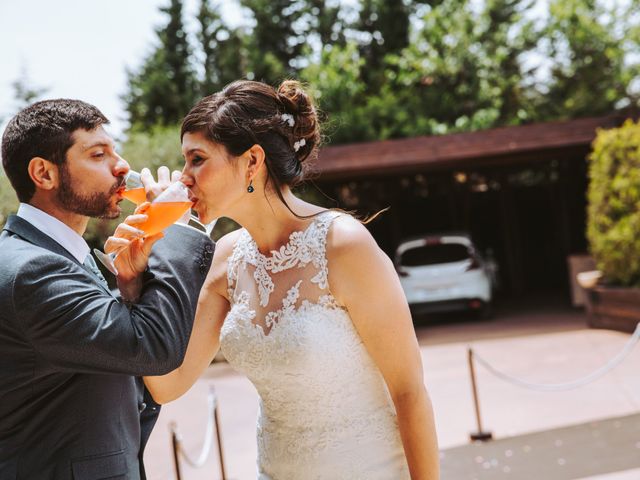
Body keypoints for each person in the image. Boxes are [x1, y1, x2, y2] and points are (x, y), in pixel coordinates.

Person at [134, 80, 440, 479]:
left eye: (197, 159)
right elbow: (167, 385)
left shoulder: (343, 245)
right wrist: (140, 272)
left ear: (252, 161)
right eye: (185, 162)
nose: (183, 177)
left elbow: (409, 391)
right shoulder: (225, 258)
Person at [0, 99, 214, 479]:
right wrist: (179, 223)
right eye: (98, 154)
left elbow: (117, 366)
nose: (122, 166)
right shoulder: (31, 270)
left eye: (115, 151)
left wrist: (131, 290)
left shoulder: (60, 257)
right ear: (43, 174)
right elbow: (153, 348)